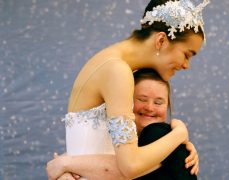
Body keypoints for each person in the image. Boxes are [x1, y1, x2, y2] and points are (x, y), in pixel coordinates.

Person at [46, 0, 209, 179]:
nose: (186, 65)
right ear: (161, 40)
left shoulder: (115, 65)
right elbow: (131, 166)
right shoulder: (117, 71)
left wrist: (174, 146)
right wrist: (179, 134)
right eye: (187, 54)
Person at [48, 68, 199, 179]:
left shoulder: (157, 133)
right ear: (126, 102)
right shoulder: (123, 143)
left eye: (158, 102)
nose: (150, 108)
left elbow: (125, 169)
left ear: (167, 106)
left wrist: (65, 164)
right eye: (142, 99)